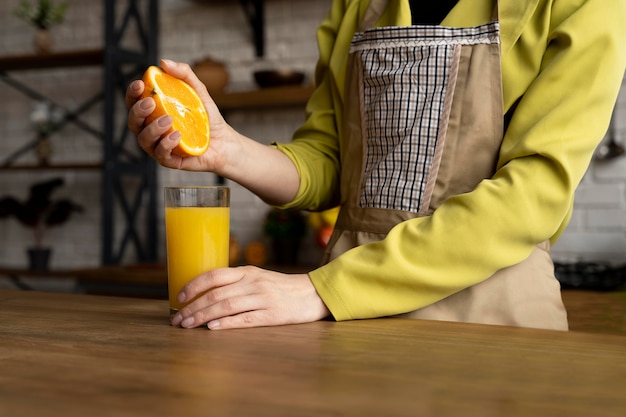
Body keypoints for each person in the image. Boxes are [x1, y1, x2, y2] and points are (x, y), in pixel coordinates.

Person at [126, 0, 626, 331]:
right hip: (353, 326)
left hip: (493, 326)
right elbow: (330, 162)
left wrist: (324, 291)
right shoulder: (360, 4)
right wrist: (225, 149)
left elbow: (531, 197)